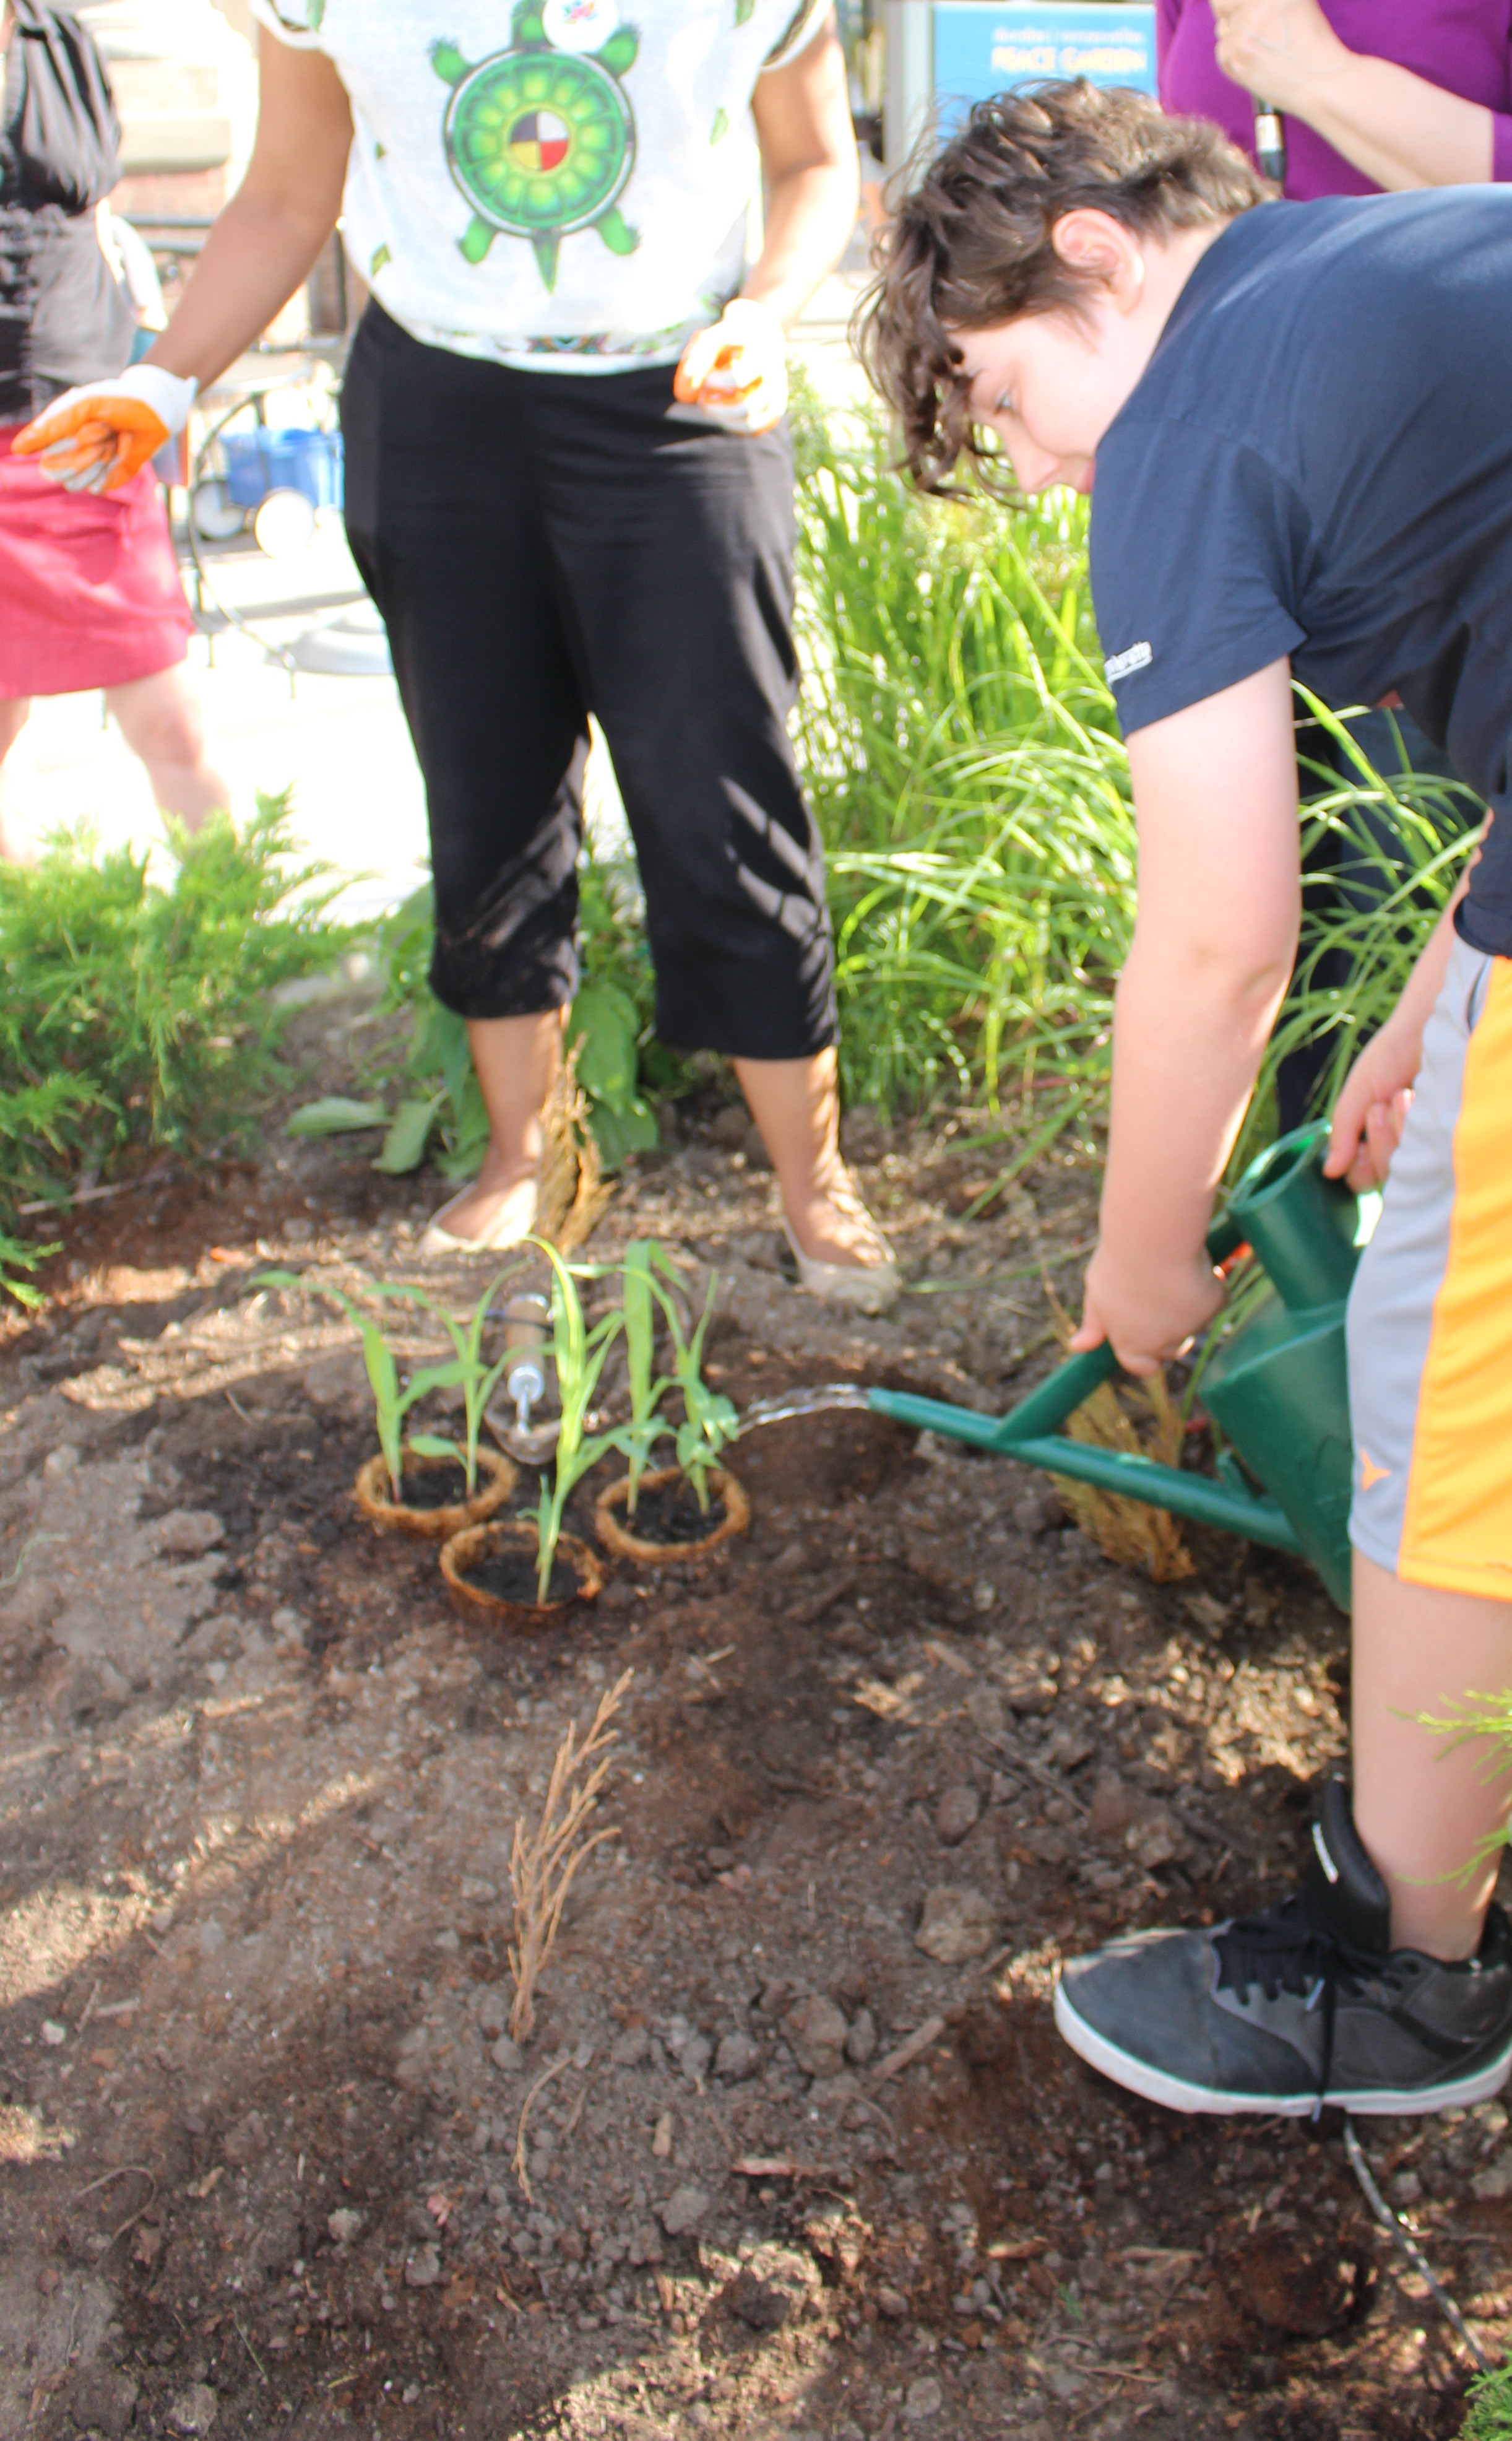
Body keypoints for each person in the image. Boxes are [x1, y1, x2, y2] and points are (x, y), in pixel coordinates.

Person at [860, 82, 1512, 2115]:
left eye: (998, 395)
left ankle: (1405, 1972)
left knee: (1439, 1399)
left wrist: (1138, 1265)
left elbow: (1216, 939)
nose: (1042, 469)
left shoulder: (1185, 414)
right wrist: (1447, 988)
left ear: (1085, 253)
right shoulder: (1402, 267)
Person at [17, 0, 899, 1306]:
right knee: (484, 791)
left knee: (722, 800)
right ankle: (519, 1159)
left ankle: (814, 1185)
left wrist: (766, 315)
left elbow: (820, 162)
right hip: (437, 404)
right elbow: (283, 191)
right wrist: (170, 377)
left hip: (684, 404)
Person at [1160, 0, 1512, 1129]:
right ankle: (1327, 1209)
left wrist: (1315, 77)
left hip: (1444, 519)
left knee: (1419, 885)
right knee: (1300, 919)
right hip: (1269, 510)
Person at [0, 0, 229, 862]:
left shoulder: (58, 37)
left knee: (170, 720)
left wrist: (154, 359)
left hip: (86, 423)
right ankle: (43, 953)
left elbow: (98, 212)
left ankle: (234, 939)